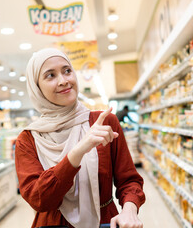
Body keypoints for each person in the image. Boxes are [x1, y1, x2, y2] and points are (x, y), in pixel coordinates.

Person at [15, 48, 145, 228]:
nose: (63, 81)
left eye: (67, 71)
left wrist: (129, 210)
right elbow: (39, 200)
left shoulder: (104, 122)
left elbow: (129, 180)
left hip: (103, 221)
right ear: (37, 87)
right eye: (50, 75)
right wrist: (77, 152)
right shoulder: (28, 139)